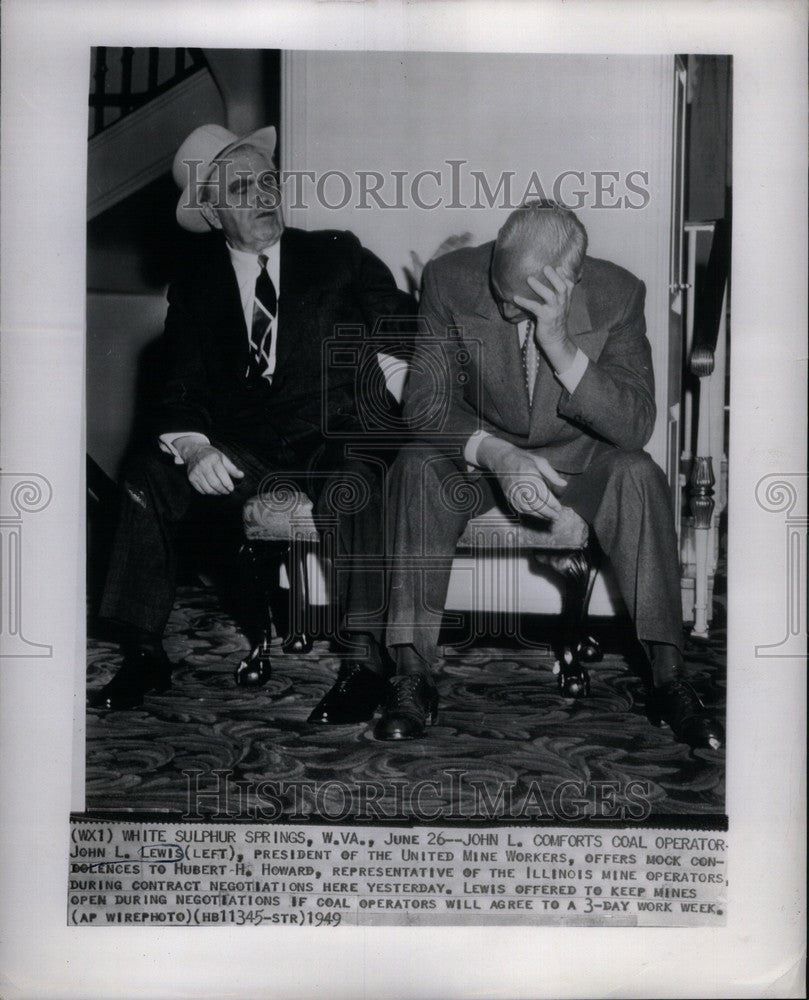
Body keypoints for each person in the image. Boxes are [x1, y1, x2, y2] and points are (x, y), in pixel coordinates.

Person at [90, 123, 415, 722]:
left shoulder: (335, 252)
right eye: (241, 189)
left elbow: (405, 329)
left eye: (268, 181)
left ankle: (366, 665)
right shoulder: (195, 285)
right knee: (146, 474)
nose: (264, 196)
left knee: (355, 472)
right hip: (249, 446)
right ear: (213, 213)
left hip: (335, 433)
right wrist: (193, 448)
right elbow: (179, 388)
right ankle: (143, 652)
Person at [375, 200, 723, 750]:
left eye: (523, 302)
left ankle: (669, 676)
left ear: (570, 279)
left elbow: (635, 424)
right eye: (500, 292)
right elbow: (423, 403)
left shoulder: (620, 294)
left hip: (578, 461)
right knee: (415, 467)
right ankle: (411, 675)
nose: (506, 308)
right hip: (482, 460)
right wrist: (496, 455)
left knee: (639, 473)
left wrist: (561, 349)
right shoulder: (450, 280)